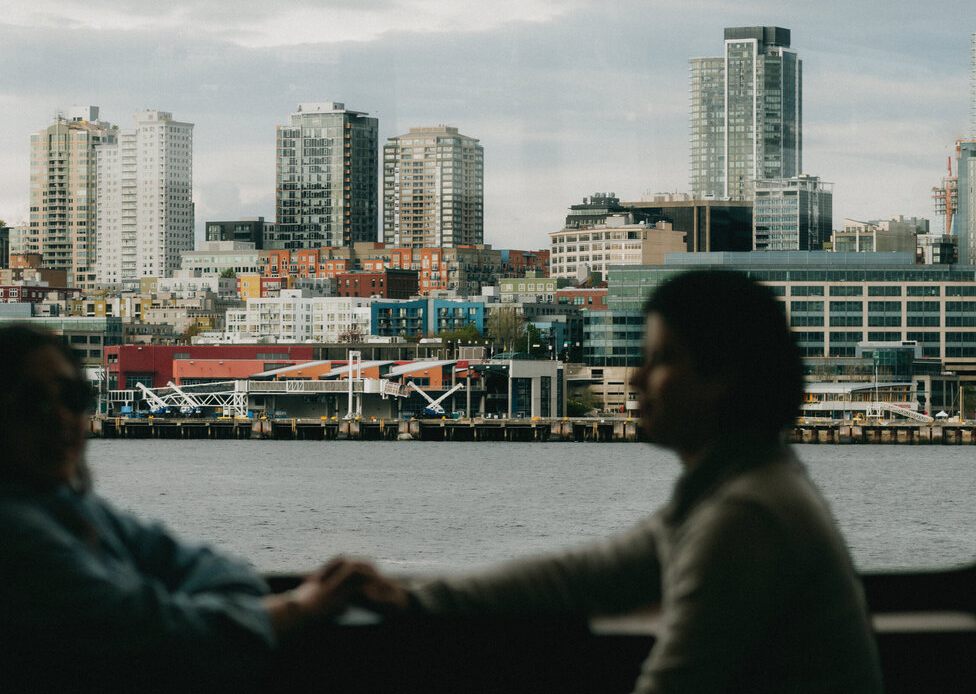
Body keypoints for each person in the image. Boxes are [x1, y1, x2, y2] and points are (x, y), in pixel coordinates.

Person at [361, 269, 883, 693]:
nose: (635, 379)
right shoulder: (739, 488)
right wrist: (419, 600)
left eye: (659, 360)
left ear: (723, 378)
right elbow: (586, 574)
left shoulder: (745, 518)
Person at [0, 326, 365, 693]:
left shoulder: (67, 506)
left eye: (73, 397)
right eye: (33, 401)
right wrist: (302, 607)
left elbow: (211, 573)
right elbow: (160, 636)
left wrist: (197, 610)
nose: (60, 417)